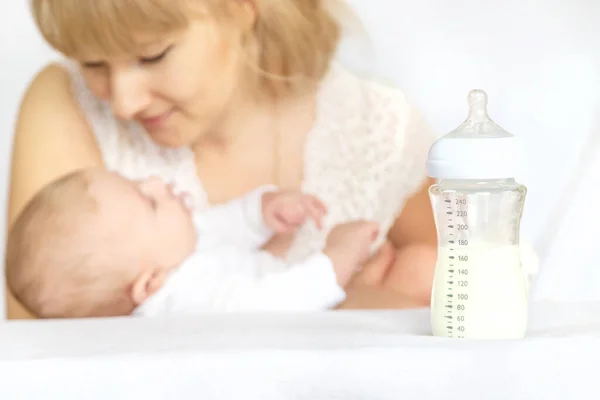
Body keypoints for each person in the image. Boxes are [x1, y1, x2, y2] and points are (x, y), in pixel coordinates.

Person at [5, 0, 439, 319]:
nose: (122, 103)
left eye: (152, 54)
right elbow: (45, 356)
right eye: (92, 62)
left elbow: (478, 305)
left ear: (243, 7)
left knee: (425, 268)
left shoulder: (379, 128)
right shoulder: (67, 106)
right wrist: (354, 308)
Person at [6, 168, 381, 318]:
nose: (156, 181)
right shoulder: (185, 301)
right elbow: (276, 305)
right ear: (149, 285)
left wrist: (262, 211)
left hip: (308, 288)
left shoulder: (170, 257)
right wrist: (338, 256)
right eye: (149, 200)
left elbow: (213, 228)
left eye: (138, 181)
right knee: (406, 274)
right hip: (307, 310)